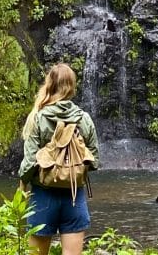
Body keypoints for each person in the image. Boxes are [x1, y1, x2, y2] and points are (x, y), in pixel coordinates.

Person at [18, 63, 100, 255]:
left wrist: (22, 186)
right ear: (72, 86)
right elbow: (94, 160)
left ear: (50, 84)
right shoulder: (83, 118)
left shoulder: (38, 117)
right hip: (74, 195)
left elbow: (30, 162)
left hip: (43, 195)